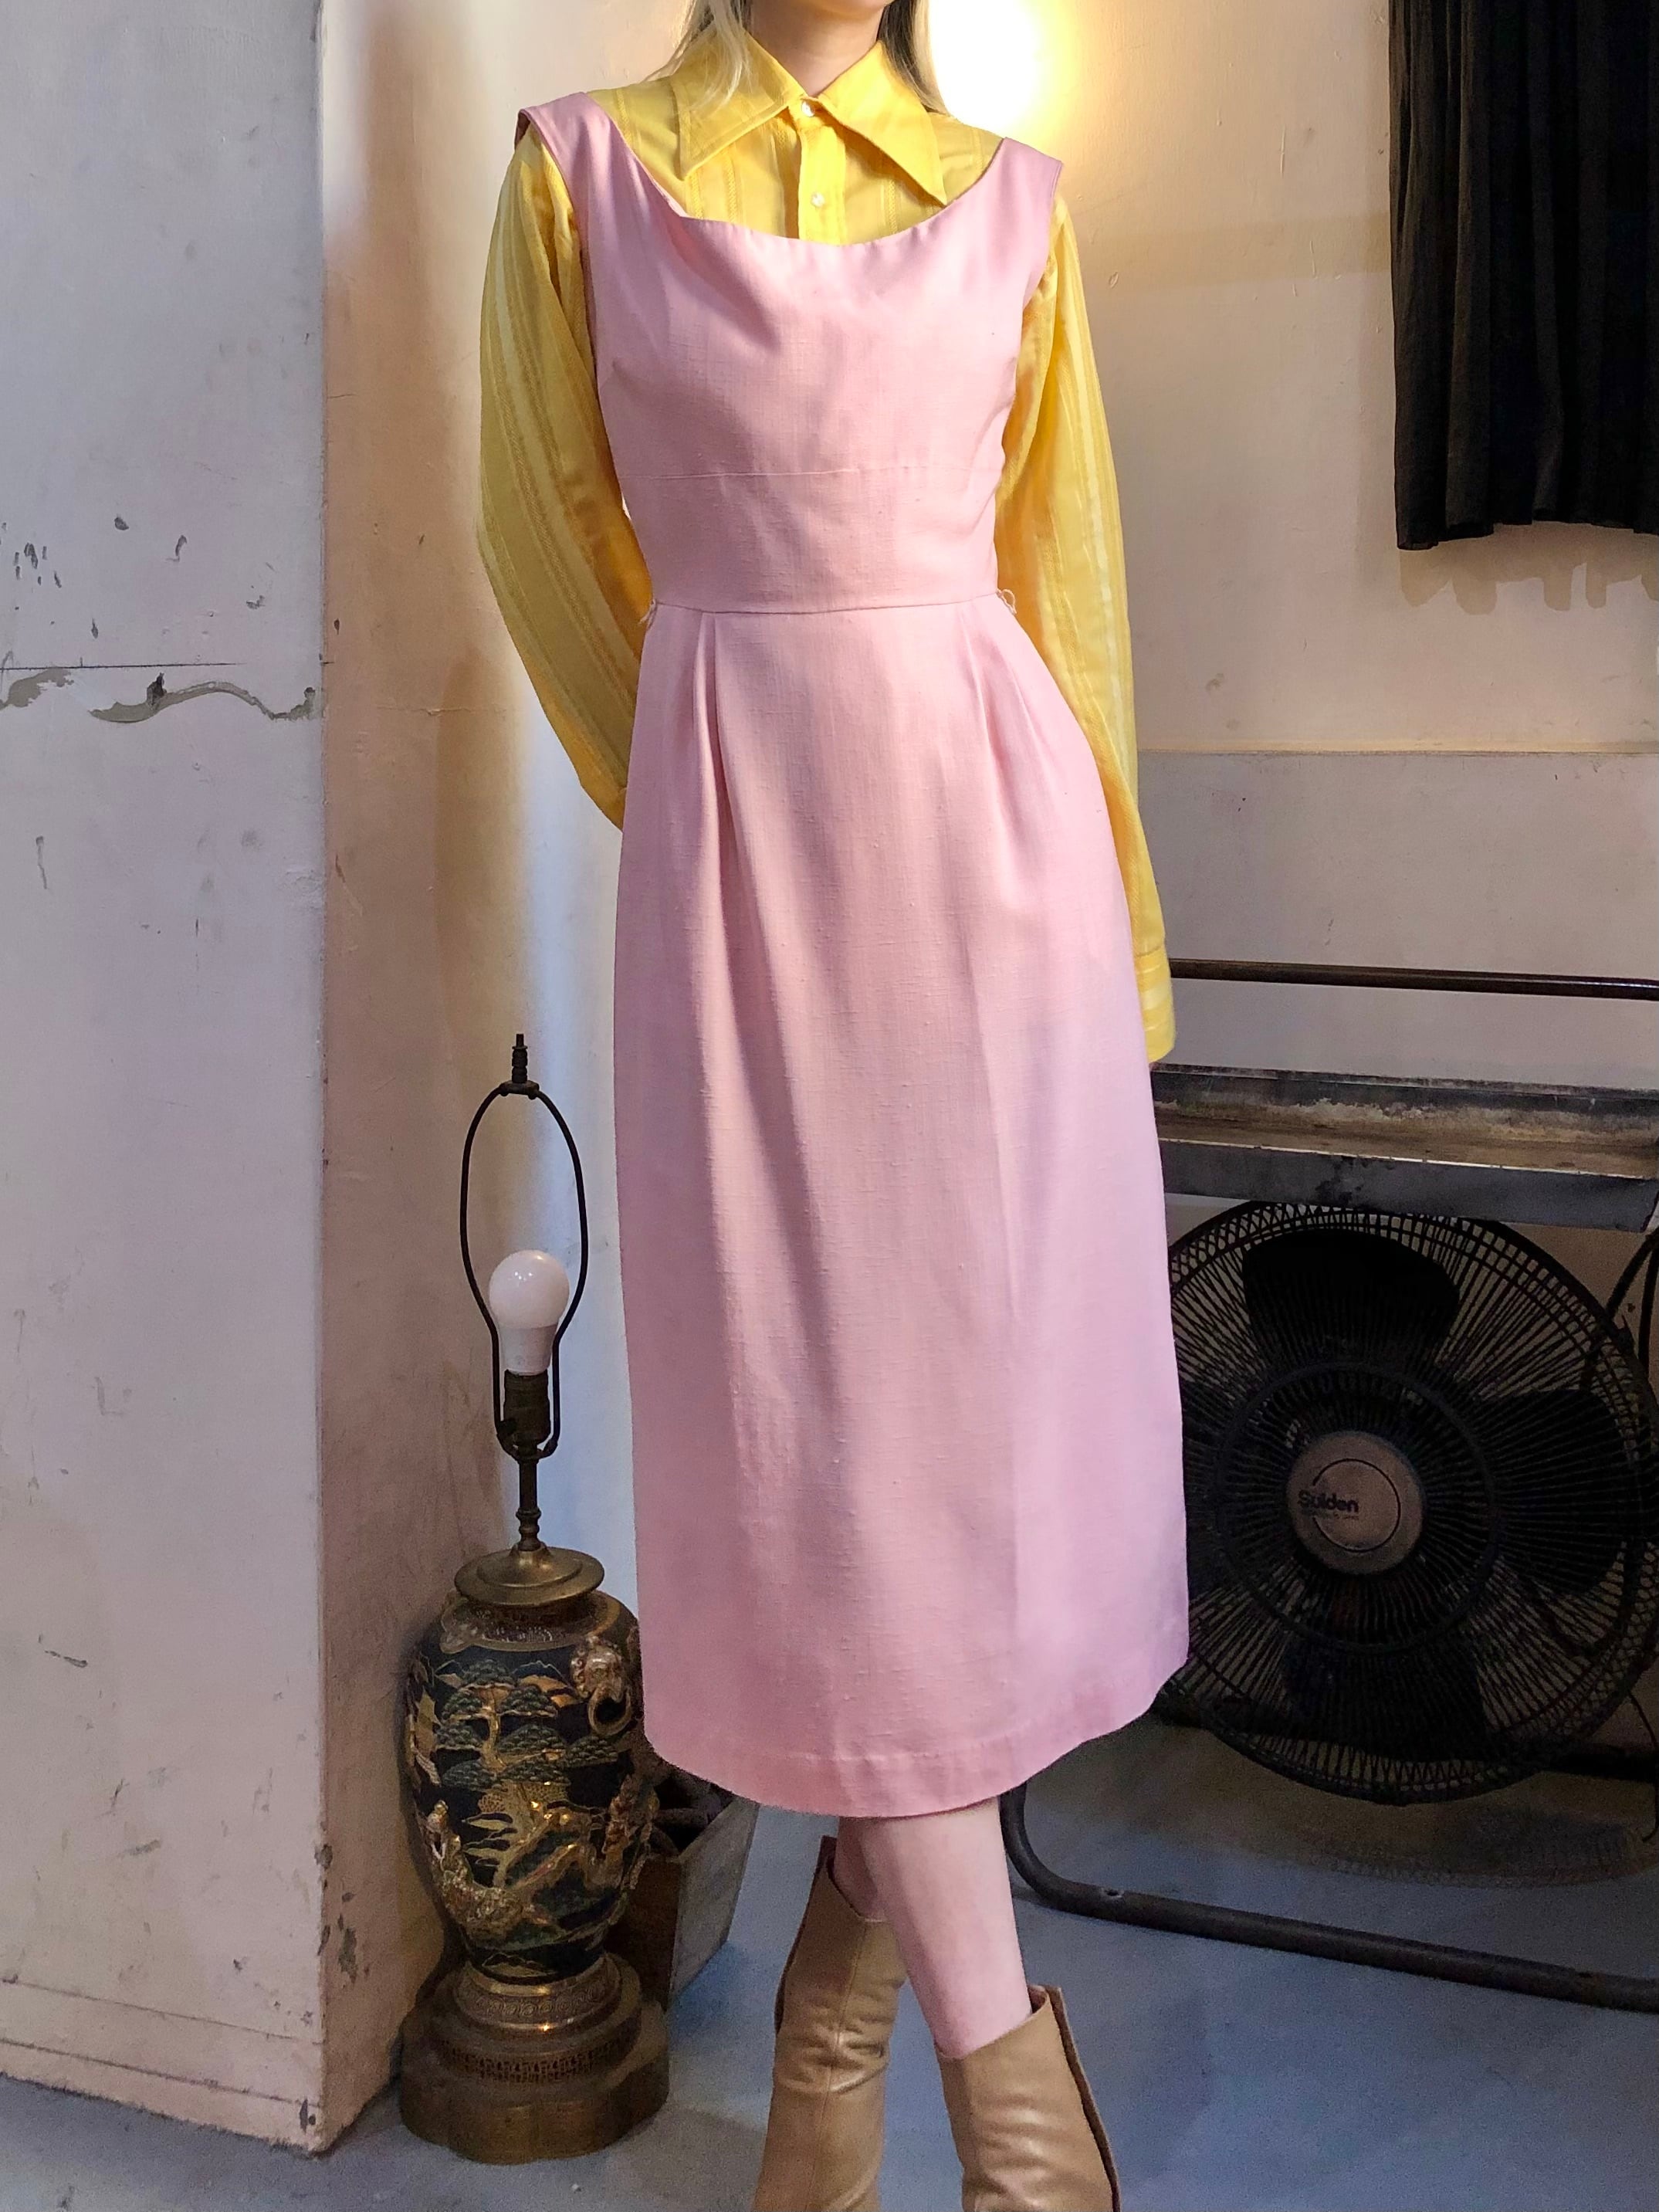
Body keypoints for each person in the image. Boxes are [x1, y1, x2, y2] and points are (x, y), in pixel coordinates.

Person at [476, 2, 1188, 2205]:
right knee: (832, 1479)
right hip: (750, 888)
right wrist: (723, 758)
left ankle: (833, 2044)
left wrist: (1124, 950)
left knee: (962, 1496)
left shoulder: (1015, 210)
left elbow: (1070, 595)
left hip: (1004, 891)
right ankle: (1021, 2116)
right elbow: (549, 549)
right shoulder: (578, 176)